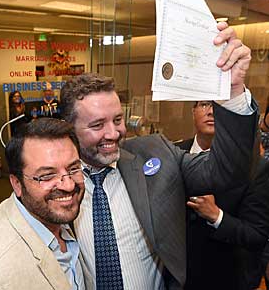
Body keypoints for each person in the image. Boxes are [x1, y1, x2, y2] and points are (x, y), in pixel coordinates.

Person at [62, 22, 257, 289]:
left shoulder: (155, 154)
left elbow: (229, 171)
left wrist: (233, 92)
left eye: (118, 119)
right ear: (69, 127)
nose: (113, 133)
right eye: (97, 125)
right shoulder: (56, 181)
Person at [0, 118, 86, 290]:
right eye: (46, 176)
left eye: (73, 169)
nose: (68, 185)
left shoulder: (57, 214)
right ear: (17, 184)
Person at [176, 101, 269, 290]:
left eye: (218, 105)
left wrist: (216, 216)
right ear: (192, 111)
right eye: (203, 105)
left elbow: (256, 235)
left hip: (226, 277)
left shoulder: (255, 168)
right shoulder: (174, 154)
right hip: (176, 278)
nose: (210, 112)